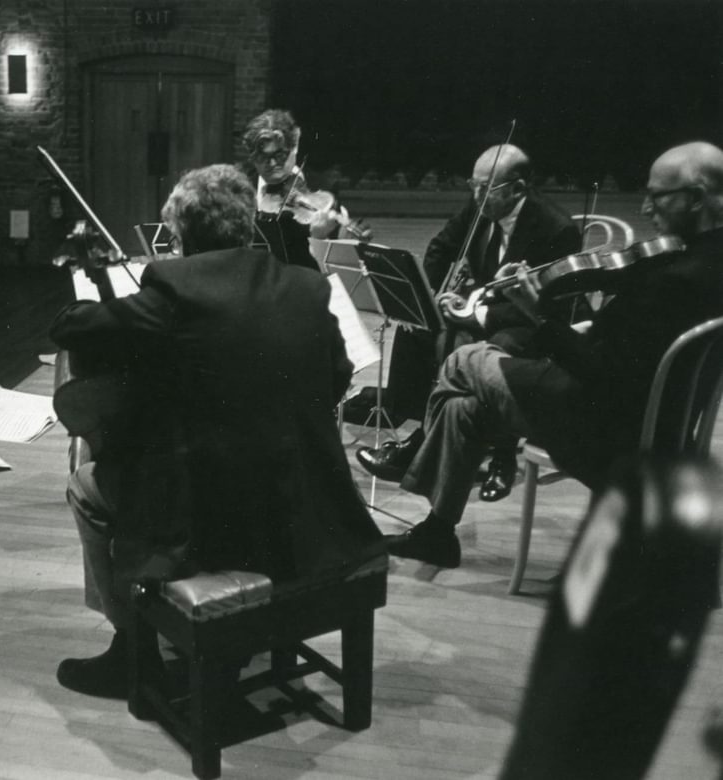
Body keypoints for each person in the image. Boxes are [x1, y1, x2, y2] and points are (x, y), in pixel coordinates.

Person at [49, 163, 383, 698]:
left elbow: (70, 328)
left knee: (86, 487)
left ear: (180, 236)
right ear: (247, 225)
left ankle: (131, 648)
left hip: (213, 521)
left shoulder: (173, 289)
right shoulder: (305, 287)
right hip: (307, 505)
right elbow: (339, 378)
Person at [355, 141, 723, 568]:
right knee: (464, 406)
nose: (644, 208)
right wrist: (587, 327)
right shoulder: (701, 260)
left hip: (603, 426)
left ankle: (415, 453)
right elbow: (638, 348)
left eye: (657, 196)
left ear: (695, 199)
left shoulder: (675, 279)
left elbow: (604, 377)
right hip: (651, 419)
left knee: (461, 362)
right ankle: (437, 533)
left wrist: (543, 319)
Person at [352, 144, 582, 502]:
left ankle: (501, 457)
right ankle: (418, 426)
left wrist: (477, 313)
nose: (476, 197)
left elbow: (548, 304)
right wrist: (430, 296)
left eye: (485, 189)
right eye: (472, 186)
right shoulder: (479, 206)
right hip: (480, 302)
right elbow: (441, 248)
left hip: (526, 320)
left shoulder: (557, 229)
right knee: (417, 328)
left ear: (518, 189)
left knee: (499, 348)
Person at [242, 109, 364, 271]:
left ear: (295, 147)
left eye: (280, 155)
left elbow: (339, 273)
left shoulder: (324, 192)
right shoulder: (238, 187)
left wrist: (319, 239)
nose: (271, 164)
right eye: (262, 157)